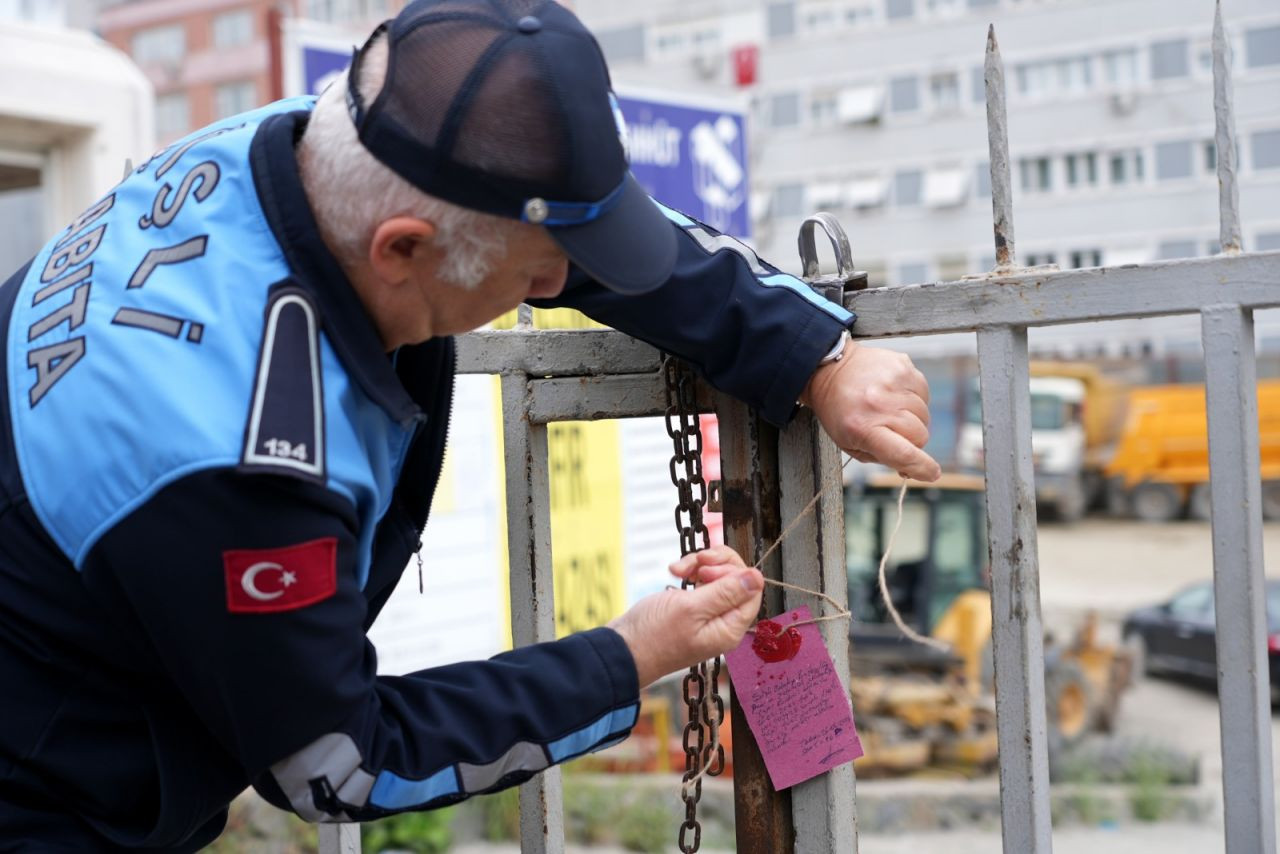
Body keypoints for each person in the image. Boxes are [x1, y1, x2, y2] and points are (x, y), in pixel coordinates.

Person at [0, 0, 938, 849]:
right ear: (402, 249)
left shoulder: (298, 150)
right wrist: (633, 653)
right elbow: (337, 762)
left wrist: (814, 354)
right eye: (532, 276)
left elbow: (555, 227)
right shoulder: (245, 461)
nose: (555, 289)